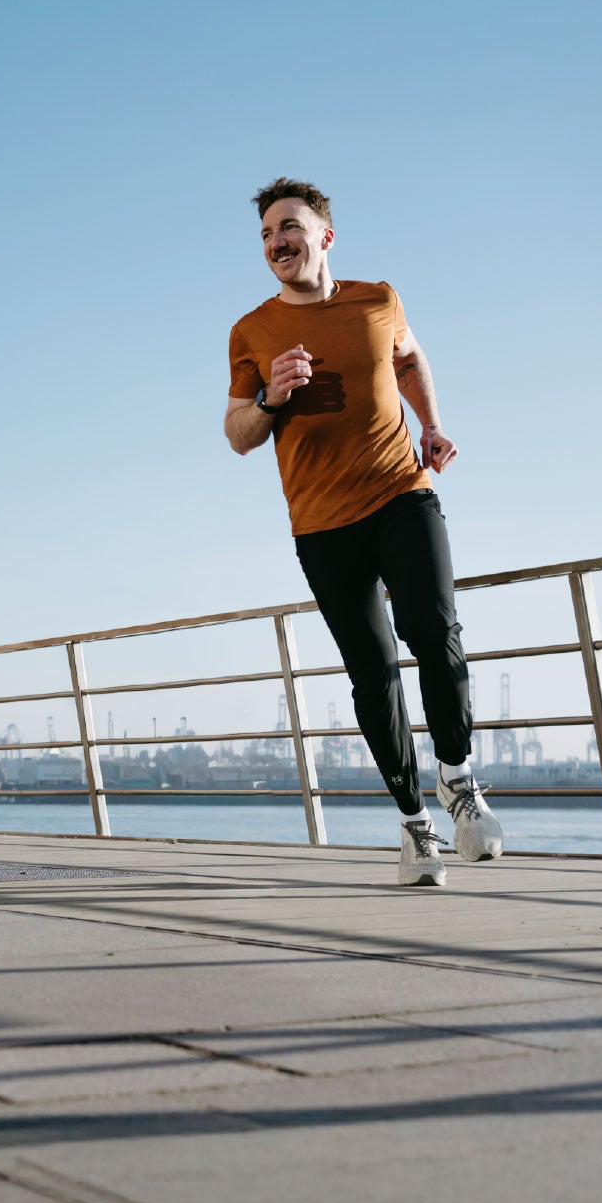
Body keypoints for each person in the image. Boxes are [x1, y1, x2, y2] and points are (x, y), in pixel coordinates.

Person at [223, 177, 502, 886]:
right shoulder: (251, 332)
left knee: (434, 628)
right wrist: (270, 396)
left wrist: (432, 424)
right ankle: (415, 829)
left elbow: (408, 358)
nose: (276, 242)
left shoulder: (378, 299)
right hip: (321, 523)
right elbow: (236, 435)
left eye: (288, 227)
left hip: (401, 493)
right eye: (265, 234)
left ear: (325, 236)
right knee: (372, 673)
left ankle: (458, 782)